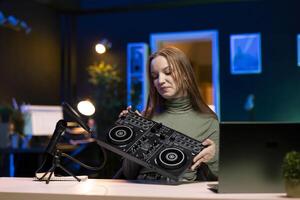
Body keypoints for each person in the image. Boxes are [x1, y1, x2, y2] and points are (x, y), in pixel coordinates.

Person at [120, 46, 219, 182]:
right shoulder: (146, 117)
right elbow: (129, 173)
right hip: (141, 191)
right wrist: (134, 134)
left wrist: (214, 157)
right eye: (155, 76)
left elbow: (217, 178)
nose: (160, 81)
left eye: (168, 72)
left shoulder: (208, 121)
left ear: (185, 74)